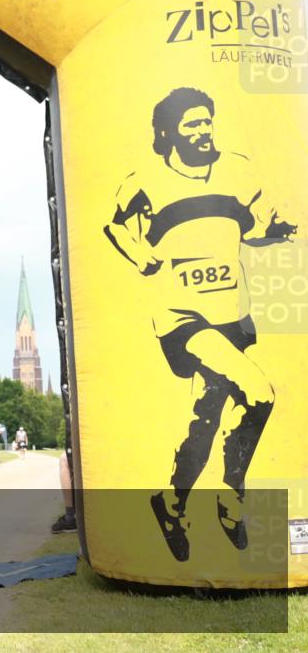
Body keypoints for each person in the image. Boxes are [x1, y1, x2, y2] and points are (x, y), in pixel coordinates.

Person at [104, 87, 297, 562]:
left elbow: (250, 230)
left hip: (231, 312)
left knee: (204, 421)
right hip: (181, 316)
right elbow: (115, 225)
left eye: (206, 121)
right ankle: (231, 499)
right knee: (259, 392)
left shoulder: (237, 169)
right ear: (168, 132)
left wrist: (276, 232)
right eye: (191, 123)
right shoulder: (146, 179)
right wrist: (141, 254)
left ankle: (170, 503)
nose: (202, 130)